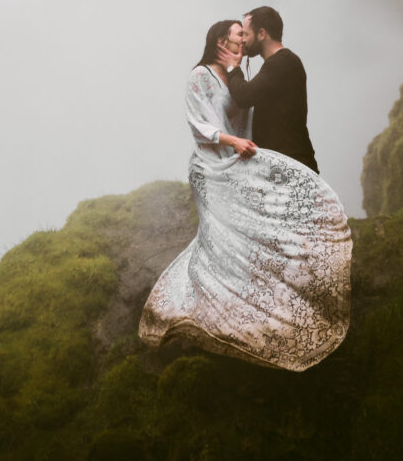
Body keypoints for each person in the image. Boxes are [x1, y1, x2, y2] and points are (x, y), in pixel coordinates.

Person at [138, 19, 352, 372]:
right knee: (221, 242)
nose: (244, 38)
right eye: (239, 34)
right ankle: (212, 312)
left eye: (245, 33)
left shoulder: (238, 77)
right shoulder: (201, 76)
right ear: (223, 40)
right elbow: (199, 122)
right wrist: (232, 141)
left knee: (249, 237)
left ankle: (262, 303)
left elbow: (247, 114)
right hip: (212, 166)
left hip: (238, 162)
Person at [216, 5, 319, 172]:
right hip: (286, 164)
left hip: (293, 166)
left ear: (262, 34)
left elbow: (244, 96)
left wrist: (232, 68)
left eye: (246, 34)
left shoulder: (282, 63)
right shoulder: (279, 63)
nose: (243, 41)